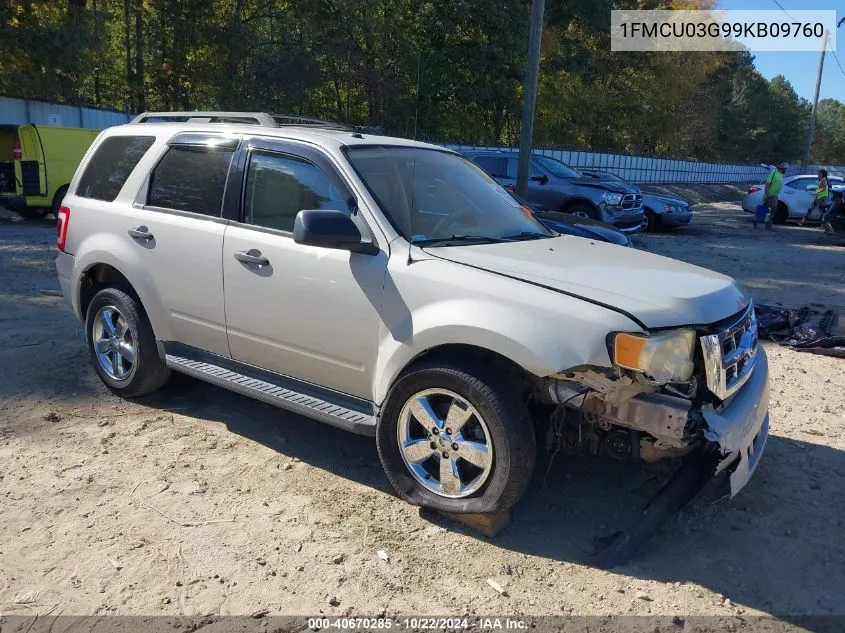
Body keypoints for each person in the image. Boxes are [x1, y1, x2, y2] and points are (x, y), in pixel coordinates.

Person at [761, 162, 786, 229]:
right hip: (771, 196)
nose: (785, 170)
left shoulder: (780, 175)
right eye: (784, 169)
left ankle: (768, 224)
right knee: (770, 211)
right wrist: (767, 195)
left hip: (775, 195)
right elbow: (767, 184)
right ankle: (768, 225)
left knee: (772, 211)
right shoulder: (773, 174)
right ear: (781, 168)